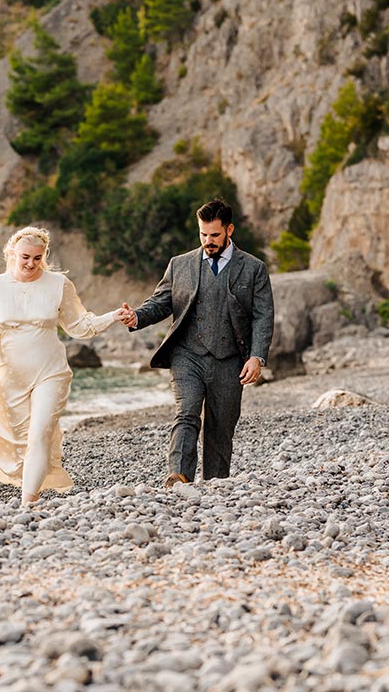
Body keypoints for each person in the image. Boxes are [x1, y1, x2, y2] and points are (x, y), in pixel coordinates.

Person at [115, 198, 274, 487]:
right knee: (186, 412)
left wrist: (256, 356)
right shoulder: (180, 264)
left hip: (230, 360)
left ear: (229, 230)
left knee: (221, 428)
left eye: (214, 235)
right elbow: (162, 302)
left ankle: (215, 484)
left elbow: (263, 316)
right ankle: (179, 477)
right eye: (203, 234)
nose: (208, 241)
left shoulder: (253, 269)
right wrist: (136, 317)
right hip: (187, 355)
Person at [0, 226, 120, 503]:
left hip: (51, 373)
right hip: (13, 378)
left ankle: (28, 503)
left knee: (40, 433)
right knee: (22, 444)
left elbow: (79, 326)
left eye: (37, 257)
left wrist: (113, 316)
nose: (31, 264)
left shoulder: (58, 284)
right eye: (25, 257)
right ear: (12, 253)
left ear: (44, 255)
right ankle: (31, 490)